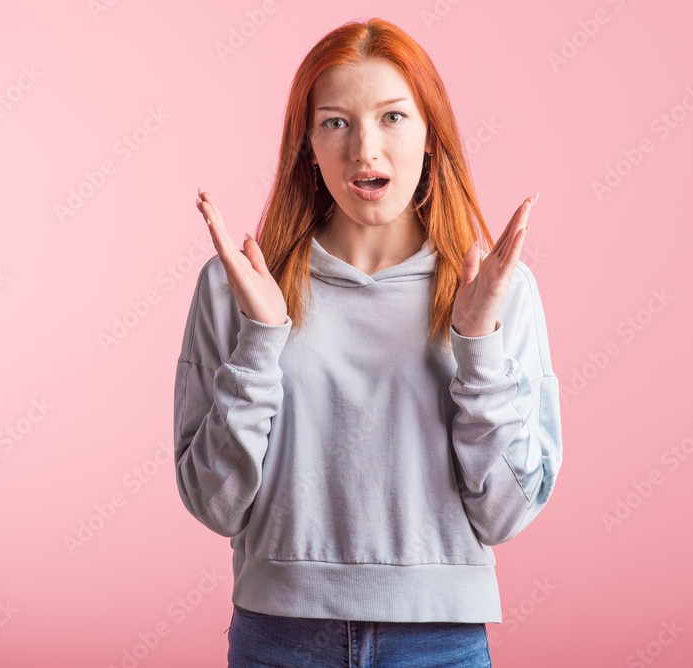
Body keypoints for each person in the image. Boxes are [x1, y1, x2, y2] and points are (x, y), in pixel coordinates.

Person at [174, 17, 563, 668]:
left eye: (392, 118)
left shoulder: (499, 292)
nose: (364, 150)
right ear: (308, 146)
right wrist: (262, 341)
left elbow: (504, 514)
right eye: (335, 122)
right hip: (278, 638)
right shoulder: (238, 287)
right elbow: (215, 504)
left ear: (431, 136)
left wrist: (477, 344)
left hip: (439, 640)